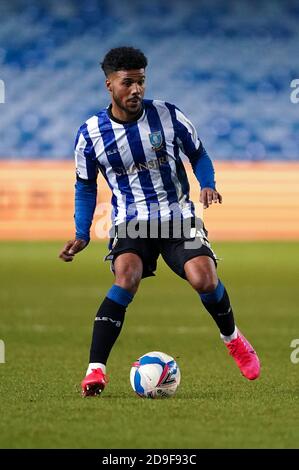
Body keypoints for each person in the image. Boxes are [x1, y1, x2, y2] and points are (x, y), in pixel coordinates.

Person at [59, 46, 260, 397]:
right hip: (131, 221)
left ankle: (233, 339)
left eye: (141, 82)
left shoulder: (168, 116)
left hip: (177, 216)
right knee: (127, 276)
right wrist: (81, 232)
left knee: (204, 277)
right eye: (128, 83)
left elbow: (198, 153)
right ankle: (95, 371)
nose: (136, 89)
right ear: (109, 84)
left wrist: (208, 183)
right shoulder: (90, 134)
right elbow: (85, 186)